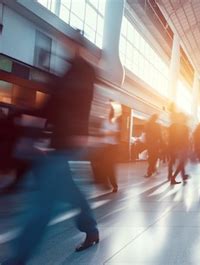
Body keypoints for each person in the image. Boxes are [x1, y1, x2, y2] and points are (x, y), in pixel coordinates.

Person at [3, 32, 99, 265]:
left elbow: (78, 103)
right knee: (68, 190)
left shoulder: (83, 71)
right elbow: (52, 105)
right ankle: (91, 229)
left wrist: (78, 132)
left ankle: (18, 258)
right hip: (61, 140)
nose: (65, 45)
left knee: (42, 200)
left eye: (69, 42)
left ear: (77, 45)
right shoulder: (68, 70)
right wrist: (26, 114)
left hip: (70, 140)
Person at [92, 103, 121, 192]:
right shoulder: (104, 121)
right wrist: (109, 132)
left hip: (112, 147)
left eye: (109, 110)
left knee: (110, 166)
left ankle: (114, 185)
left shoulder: (114, 122)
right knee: (104, 165)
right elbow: (102, 132)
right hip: (105, 146)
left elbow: (116, 133)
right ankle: (106, 183)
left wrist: (107, 132)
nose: (107, 111)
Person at [168, 112, 190, 184]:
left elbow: (170, 137)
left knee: (172, 161)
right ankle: (173, 177)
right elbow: (186, 139)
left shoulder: (172, 126)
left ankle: (173, 175)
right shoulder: (185, 127)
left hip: (172, 147)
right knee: (182, 162)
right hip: (181, 147)